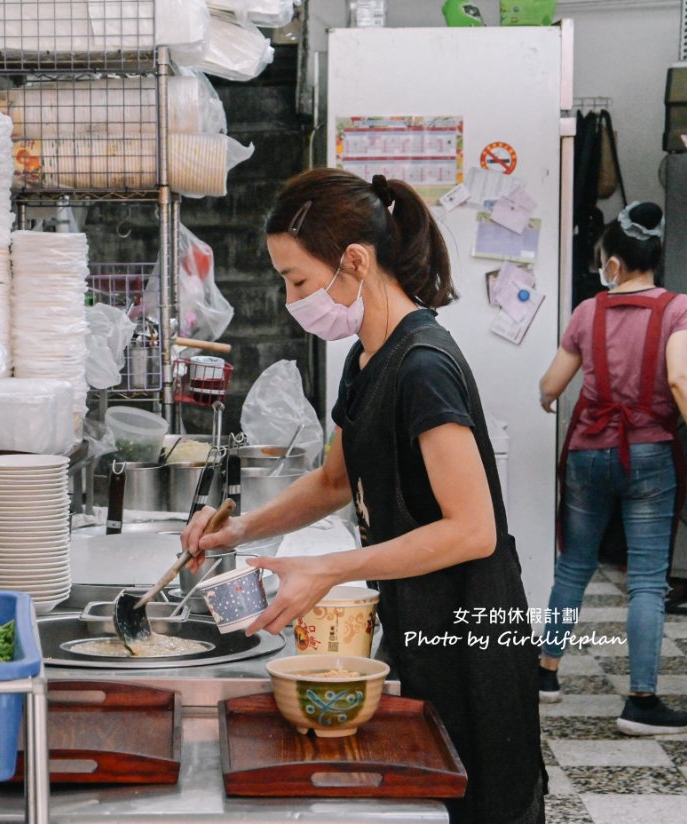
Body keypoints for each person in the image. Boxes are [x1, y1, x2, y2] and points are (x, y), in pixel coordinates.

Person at [182, 168, 544, 824]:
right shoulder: (367, 359)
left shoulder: (423, 366)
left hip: (469, 630)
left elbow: (473, 530)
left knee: (481, 799)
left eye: (297, 280)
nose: (292, 298)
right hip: (418, 617)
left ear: (355, 261)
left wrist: (328, 567)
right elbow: (331, 482)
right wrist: (238, 532)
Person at [537, 201, 687, 735]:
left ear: (612, 263)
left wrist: (553, 400)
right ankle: (640, 702)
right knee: (645, 580)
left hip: (588, 453)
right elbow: (683, 383)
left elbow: (550, 386)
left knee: (573, 564)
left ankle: (545, 676)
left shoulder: (587, 312)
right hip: (648, 455)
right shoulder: (678, 310)